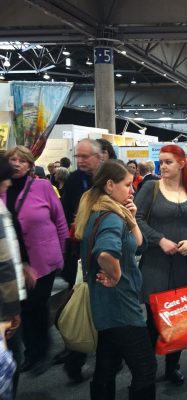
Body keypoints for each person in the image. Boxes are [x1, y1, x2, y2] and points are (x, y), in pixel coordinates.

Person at [74, 160, 156, 399]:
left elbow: (140, 245)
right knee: (145, 368)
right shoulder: (110, 217)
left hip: (109, 304)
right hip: (121, 305)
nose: (132, 190)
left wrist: (131, 217)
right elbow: (105, 253)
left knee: (106, 367)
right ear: (110, 185)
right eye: (128, 185)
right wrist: (117, 274)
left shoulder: (106, 211)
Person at [135, 144, 187, 386]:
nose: (162, 166)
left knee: (180, 318)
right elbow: (135, 219)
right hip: (156, 264)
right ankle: (144, 369)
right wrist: (159, 240)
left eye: (168, 161)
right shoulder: (150, 188)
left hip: (186, 264)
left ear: (181, 164)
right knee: (154, 321)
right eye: (161, 161)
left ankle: (172, 366)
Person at [4, 146, 69, 376]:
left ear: (31, 164)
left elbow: (60, 220)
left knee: (36, 306)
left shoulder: (43, 187)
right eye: (12, 159)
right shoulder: (3, 189)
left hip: (43, 260)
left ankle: (41, 352)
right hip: (14, 261)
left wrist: (63, 252)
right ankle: (31, 352)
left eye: (22, 160)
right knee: (21, 307)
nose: (16, 163)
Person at [60, 138, 102, 382]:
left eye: (86, 156)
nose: (81, 161)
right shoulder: (76, 180)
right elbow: (65, 214)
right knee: (81, 305)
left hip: (104, 251)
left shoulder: (108, 178)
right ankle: (74, 360)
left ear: (99, 157)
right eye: (78, 156)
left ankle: (110, 357)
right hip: (80, 254)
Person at [0, 155, 25, 399]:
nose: (9, 183)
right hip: (2, 305)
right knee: (10, 358)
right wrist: (12, 309)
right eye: (6, 177)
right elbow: (4, 266)